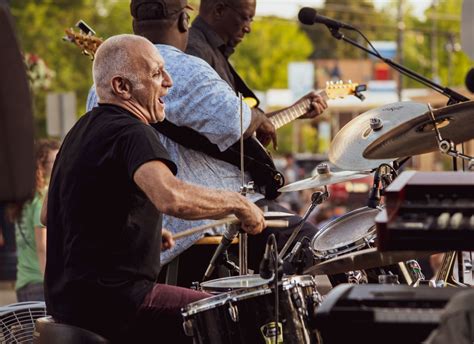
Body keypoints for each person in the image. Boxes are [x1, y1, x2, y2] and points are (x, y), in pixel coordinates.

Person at [45, 34, 265, 343]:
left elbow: (50, 212)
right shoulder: (132, 131)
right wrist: (238, 204)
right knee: (231, 316)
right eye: (156, 73)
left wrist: (134, 232)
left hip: (69, 303)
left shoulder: (79, 130)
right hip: (118, 302)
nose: (169, 82)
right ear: (122, 87)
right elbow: (170, 196)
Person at [87, 0, 327, 272]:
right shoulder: (188, 70)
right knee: (319, 246)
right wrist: (256, 116)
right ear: (183, 22)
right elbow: (238, 123)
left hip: (144, 239)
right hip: (204, 225)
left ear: (134, 27)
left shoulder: (98, 89)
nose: (167, 82)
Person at [5, 139, 59, 302]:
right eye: (54, 160)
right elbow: (42, 245)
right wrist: (49, 281)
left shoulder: (25, 197)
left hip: (23, 281)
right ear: (42, 164)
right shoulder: (42, 197)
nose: (59, 164)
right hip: (39, 282)